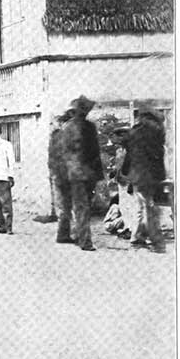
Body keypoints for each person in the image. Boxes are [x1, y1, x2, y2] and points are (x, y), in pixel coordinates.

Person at [59, 95, 104, 252]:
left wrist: (98, 175)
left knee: (81, 206)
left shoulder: (85, 127)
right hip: (78, 174)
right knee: (82, 207)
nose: (83, 112)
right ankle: (85, 241)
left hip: (83, 173)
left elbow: (95, 152)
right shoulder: (73, 128)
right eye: (82, 110)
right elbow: (66, 153)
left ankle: (73, 235)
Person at [122, 105, 167, 253]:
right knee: (150, 207)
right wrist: (161, 175)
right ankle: (152, 239)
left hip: (137, 175)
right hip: (151, 175)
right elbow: (158, 155)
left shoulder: (133, 132)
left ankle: (138, 237)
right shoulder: (156, 131)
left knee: (142, 207)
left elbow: (128, 155)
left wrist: (125, 172)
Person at [49, 111, 72, 240]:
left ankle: (63, 234)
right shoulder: (61, 136)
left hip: (61, 175)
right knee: (65, 206)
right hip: (63, 175)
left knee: (64, 206)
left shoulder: (56, 135)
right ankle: (63, 234)